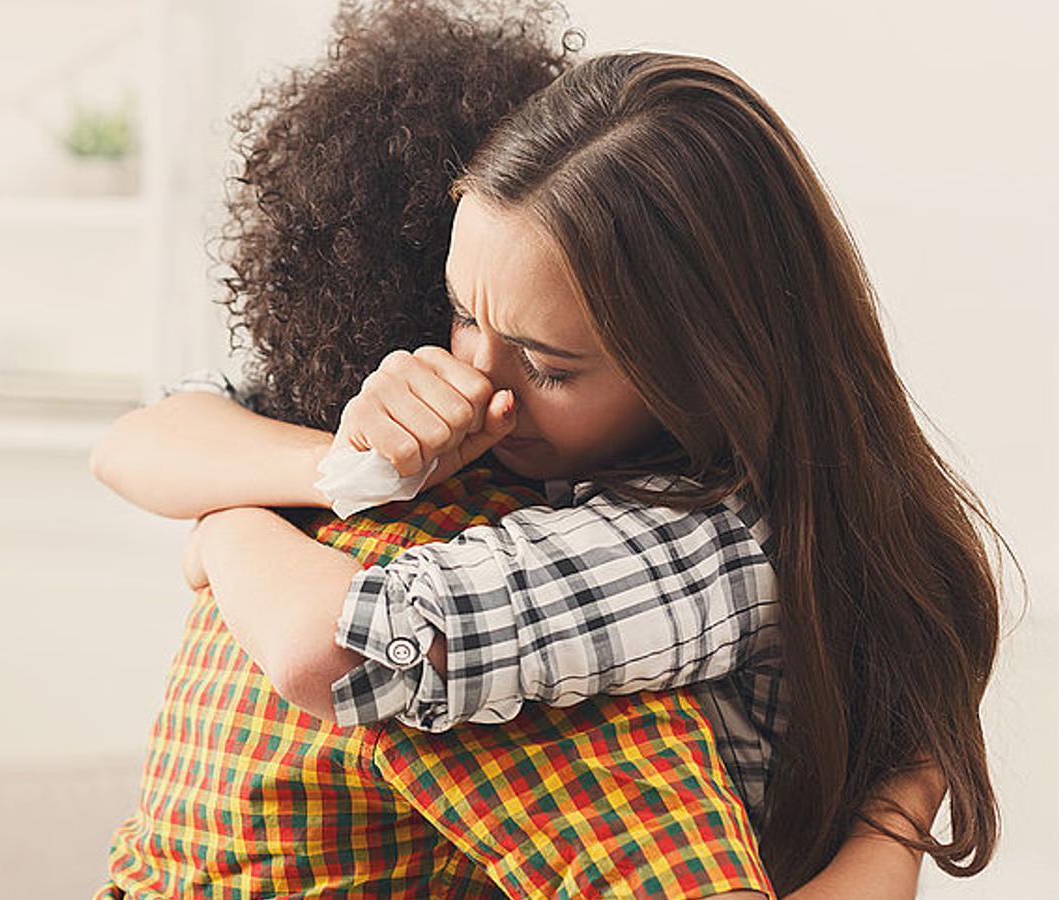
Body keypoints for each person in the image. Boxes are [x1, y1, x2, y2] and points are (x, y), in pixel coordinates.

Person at [104, 45, 1013, 896]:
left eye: (548, 367)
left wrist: (228, 526)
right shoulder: (534, 435)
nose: (478, 384)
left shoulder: (703, 540)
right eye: (461, 313)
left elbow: (341, 651)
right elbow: (139, 444)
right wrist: (338, 469)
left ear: (706, 368)